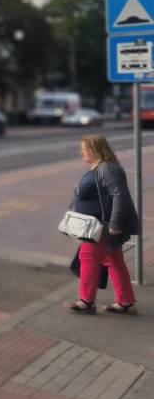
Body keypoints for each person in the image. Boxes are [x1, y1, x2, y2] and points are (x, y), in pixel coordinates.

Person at [65, 135, 139, 315]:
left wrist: (114, 222)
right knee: (113, 260)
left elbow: (119, 196)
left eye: (85, 149)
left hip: (102, 227)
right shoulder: (102, 167)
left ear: (97, 150)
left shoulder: (107, 169)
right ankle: (125, 301)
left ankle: (86, 301)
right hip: (100, 225)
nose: (81, 152)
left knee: (88, 257)